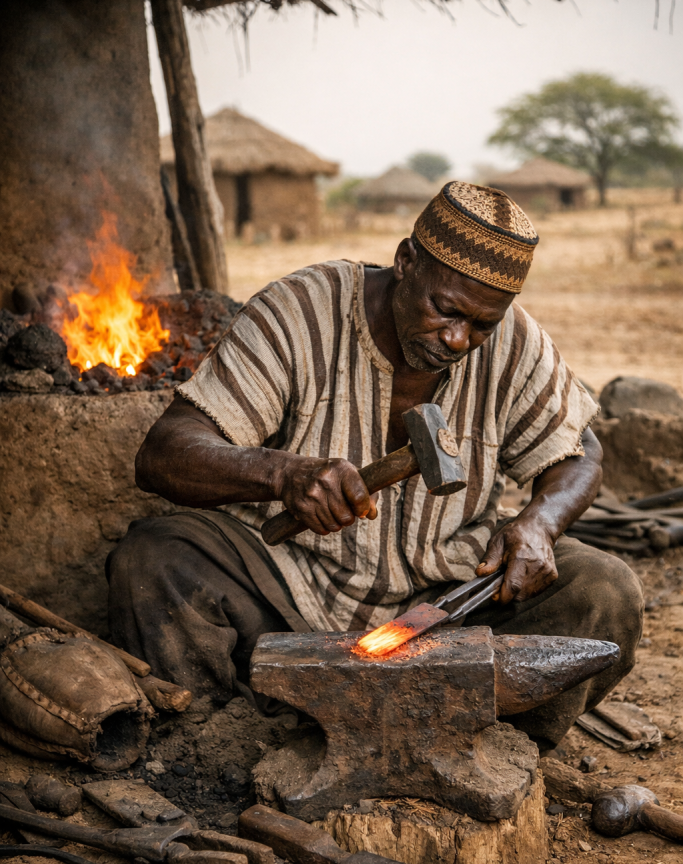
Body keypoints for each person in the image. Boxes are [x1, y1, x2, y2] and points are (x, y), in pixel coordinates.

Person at [108, 181, 643, 749]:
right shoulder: (301, 312)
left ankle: (481, 745)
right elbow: (164, 452)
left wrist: (540, 523)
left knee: (605, 590)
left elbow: (580, 452)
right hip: (289, 592)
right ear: (406, 260)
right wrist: (282, 474)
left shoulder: (512, 342)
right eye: (446, 310)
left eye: (481, 324)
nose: (459, 339)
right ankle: (224, 748)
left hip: (450, 607)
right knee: (155, 558)